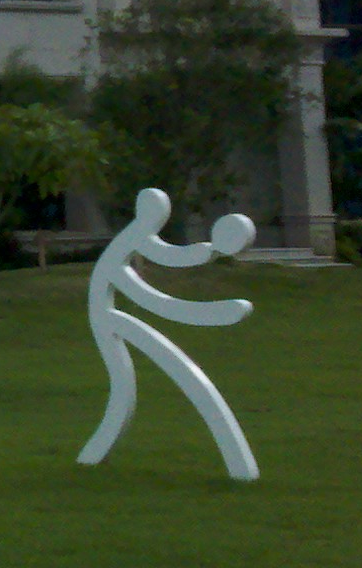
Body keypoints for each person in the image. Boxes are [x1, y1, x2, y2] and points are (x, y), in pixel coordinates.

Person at [78, 187, 259, 481]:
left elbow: (166, 260)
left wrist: (211, 250)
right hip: (108, 316)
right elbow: (169, 258)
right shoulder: (135, 237)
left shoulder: (135, 236)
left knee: (126, 383)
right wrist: (210, 249)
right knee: (139, 379)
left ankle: (96, 449)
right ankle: (96, 449)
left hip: (109, 315)